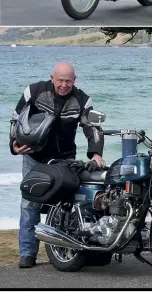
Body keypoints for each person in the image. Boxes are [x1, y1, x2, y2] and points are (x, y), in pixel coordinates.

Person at [10, 62, 105, 269]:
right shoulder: (34, 91)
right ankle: (27, 254)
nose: (63, 85)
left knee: (70, 203)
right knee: (29, 205)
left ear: (74, 80)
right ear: (52, 78)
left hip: (65, 159)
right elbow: (16, 119)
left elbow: (93, 127)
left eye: (68, 81)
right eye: (60, 80)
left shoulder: (82, 99)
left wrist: (96, 154)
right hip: (35, 158)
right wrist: (14, 145)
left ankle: (69, 250)